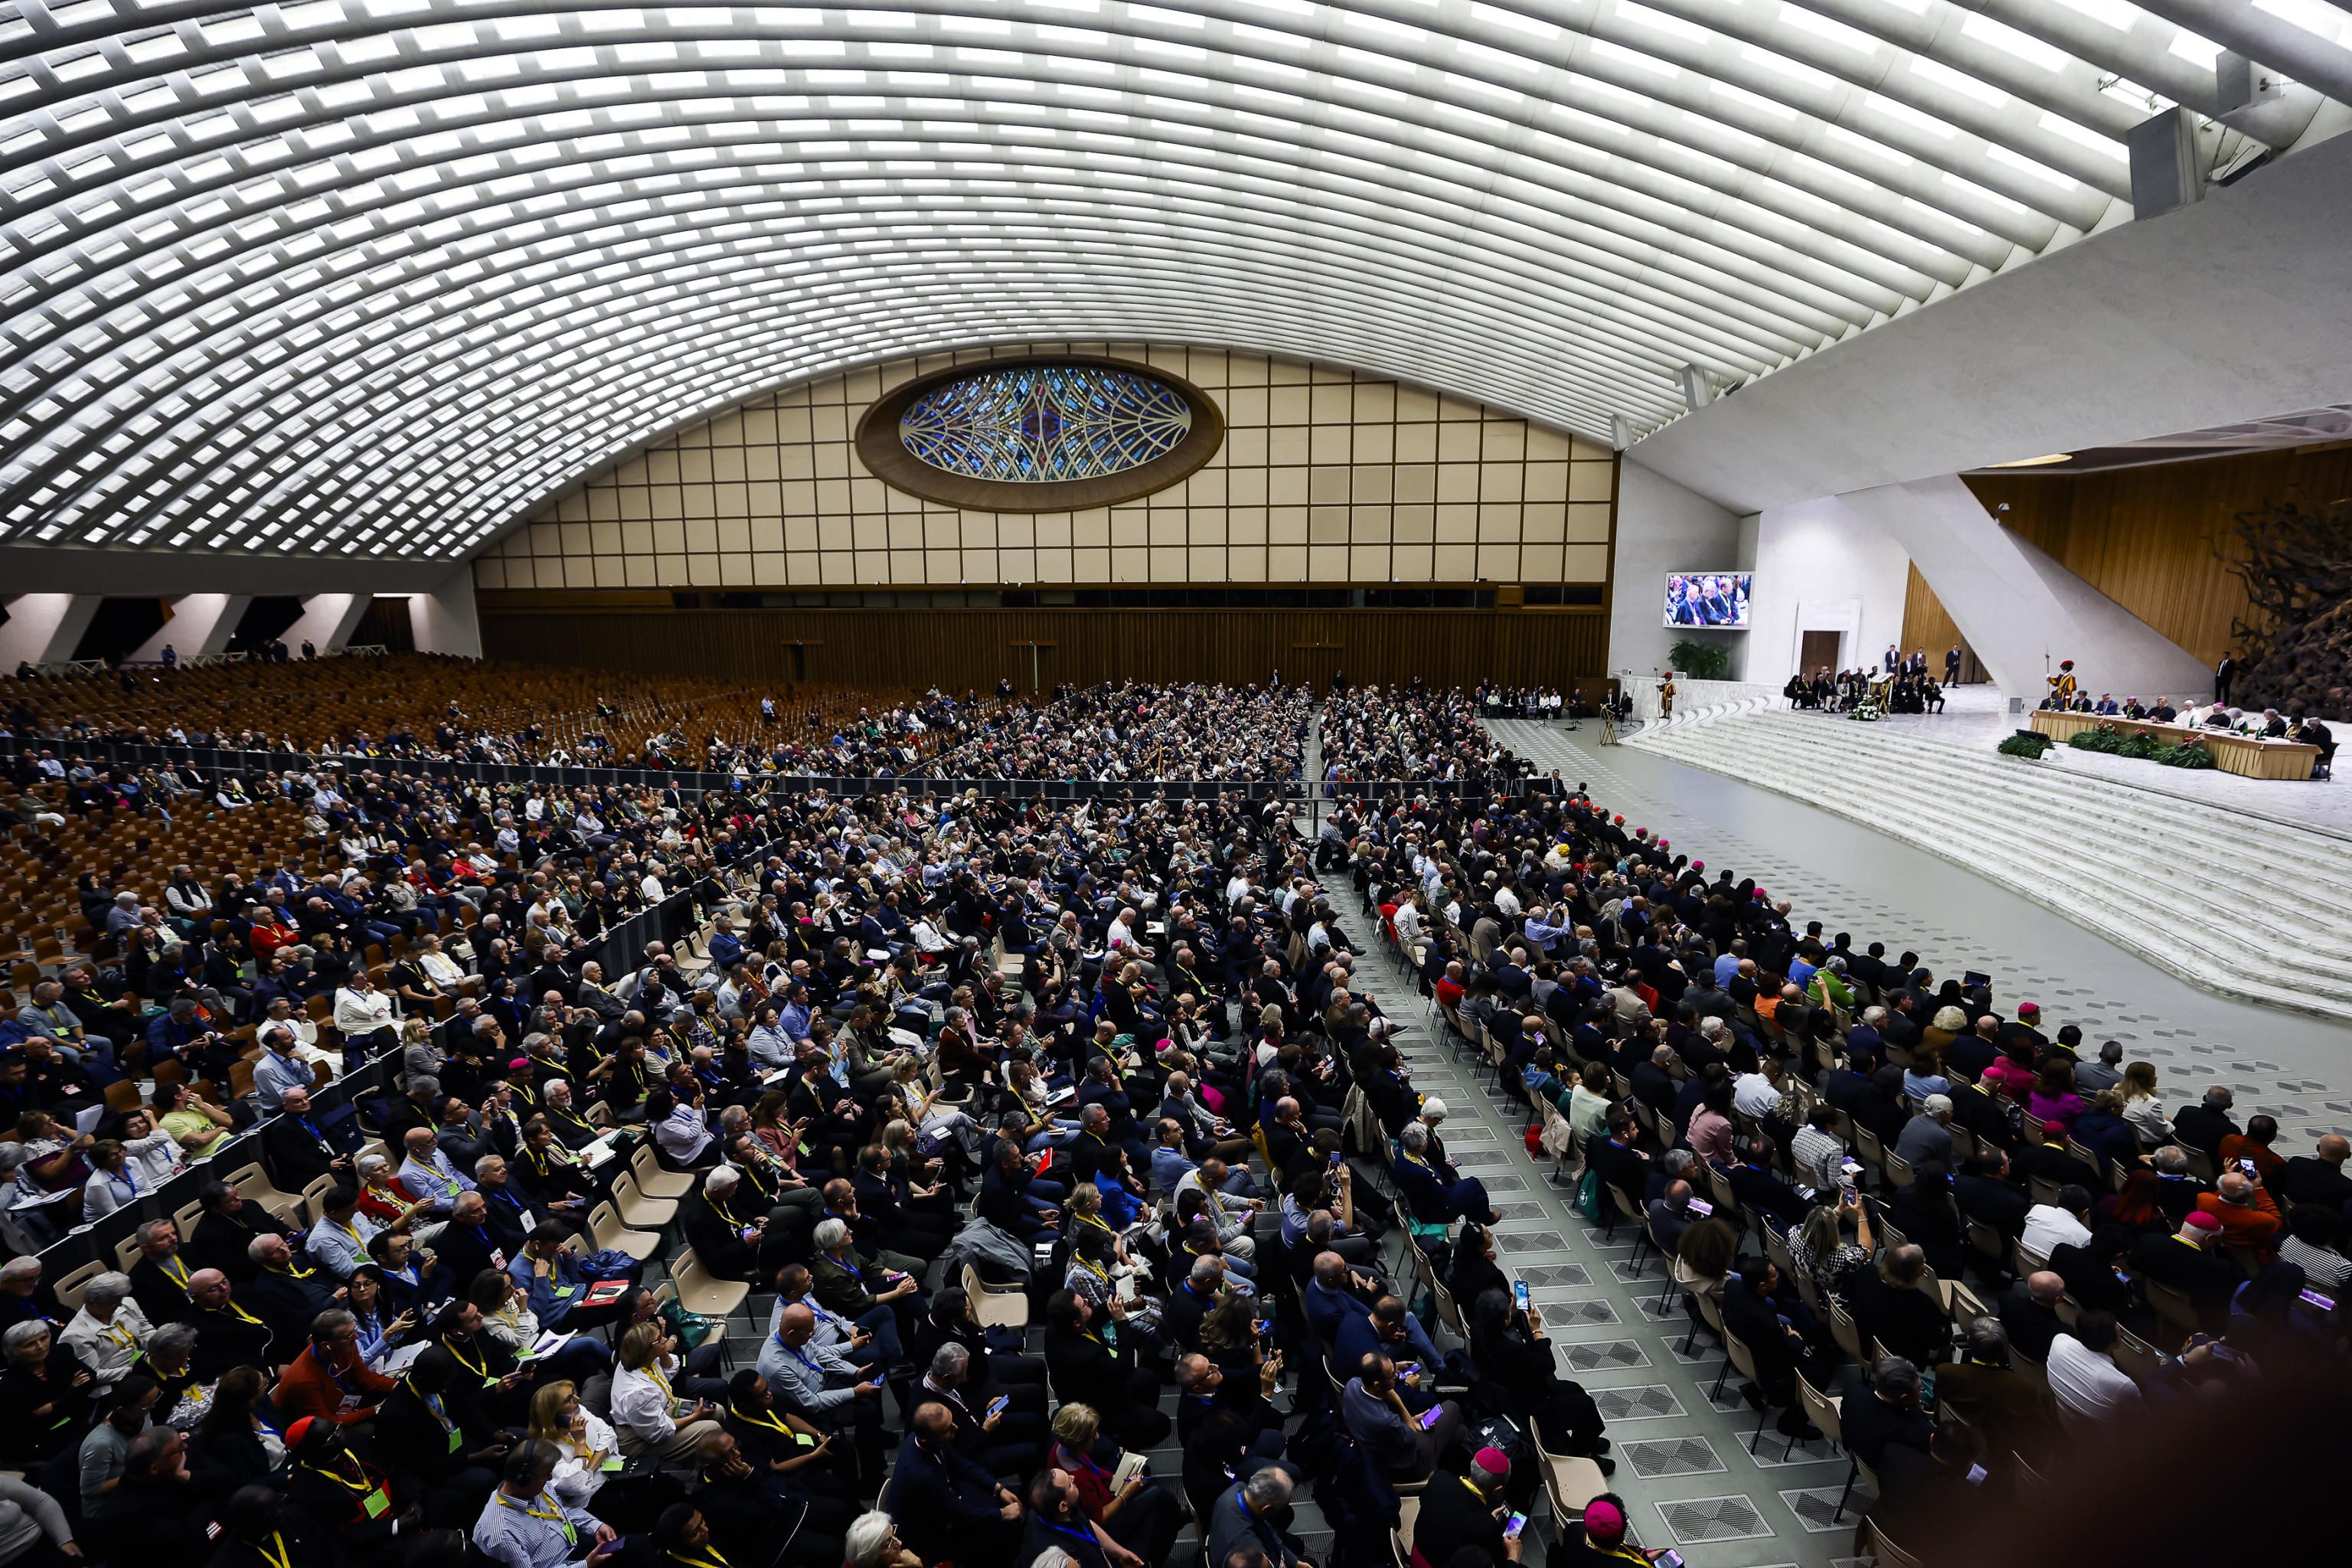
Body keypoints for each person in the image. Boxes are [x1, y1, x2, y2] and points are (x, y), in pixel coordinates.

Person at [1046, 1403, 1181, 1568]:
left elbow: (1094, 1471)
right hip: (1107, 1526)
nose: (1097, 1437)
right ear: (1079, 1442)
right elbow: (1099, 1519)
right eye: (1092, 1435)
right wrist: (1126, 1495)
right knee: (1159, 1495)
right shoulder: (1078, 1481)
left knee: (1154, 1489)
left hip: (1105, 1495)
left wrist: (1114, 1478)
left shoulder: (1062, 1449)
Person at [889, 1403, 1024, 1567]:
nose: (956, 1427)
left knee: (993, 1499)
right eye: (948, 1429)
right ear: (927, 1438)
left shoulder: (924, 1440)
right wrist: (1002, 1514)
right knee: (1010, 1529)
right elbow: (959, 1513)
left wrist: (997, 1487)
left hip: (942, 1503)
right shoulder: (922, 1475)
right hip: (928, 1534)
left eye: (951, 1422)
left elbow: (961, 1465)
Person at [473, 1439, 619, 1568]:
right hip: (569, 1563)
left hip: (577, 1546)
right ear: (524, 1480)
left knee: (637, 1547)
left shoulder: (535, 1487)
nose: (550, 1479)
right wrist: (584, 1565)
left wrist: (595, 1525)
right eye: (546, 1474)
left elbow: (562, 1510)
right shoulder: (503, 1535)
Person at [1341, 1351, 1460, 1483]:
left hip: (1374, 1449)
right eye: (1392, 1376)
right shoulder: (1386, 1421)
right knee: (1452, 1406)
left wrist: (1412, 1419)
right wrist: (1397, 1400)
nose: (1397, 1376)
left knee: (1460, 1432)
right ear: (1377, 1385)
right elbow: (1413, 1436)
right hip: (1407, 1465)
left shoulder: (1352, 1385)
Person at [612, 1320, 722, 1460]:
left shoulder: (644, 1358)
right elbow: (658, 1432)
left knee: (717, 1411)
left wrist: (662, 1351)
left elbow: (671, 1369)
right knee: (712, 1429)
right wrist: (695, 1416)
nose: (665, 1340)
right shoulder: (638, 1393)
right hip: (640, 1440)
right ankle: (698, 1472)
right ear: (647, 1350)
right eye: (659, 1339)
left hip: (664, 1409)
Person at [1409, 1446, 1524, 1568]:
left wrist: (1485, 1520)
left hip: (1417, 1554)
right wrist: (1514, 1557)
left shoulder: (1439, 1478)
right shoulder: (1487, 1528)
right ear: (1498, 1489)